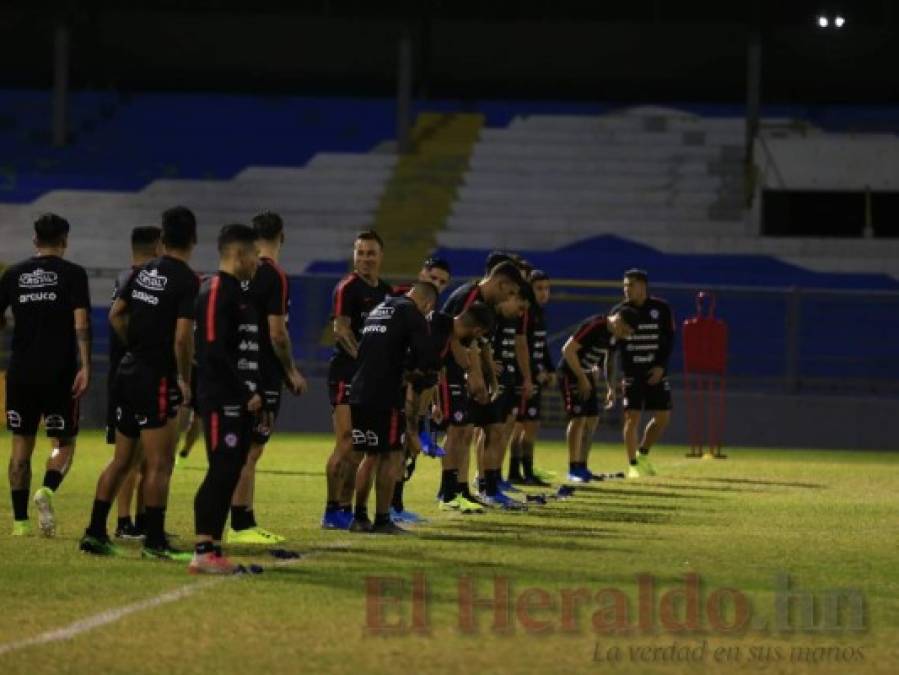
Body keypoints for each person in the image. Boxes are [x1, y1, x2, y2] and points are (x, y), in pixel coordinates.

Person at [80, 206, 199, 559]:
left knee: (122, 461)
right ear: (193, 240)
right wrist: (184, 378)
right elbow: (182, 338)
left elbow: (115, 314)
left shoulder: (144, 270)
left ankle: (94, 533)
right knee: (159, 464)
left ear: (162, 239)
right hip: (156, 378)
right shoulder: (188, 280)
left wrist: (136, 344)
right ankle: (154, 541)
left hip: (127, 373)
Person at [1, 213, 91, 537]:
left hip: (21, 372)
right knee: (63, 442)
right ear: (64, 240)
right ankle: (47, 490)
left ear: (35, 241)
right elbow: (81, 322)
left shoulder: (13, 274)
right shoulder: (74, 275)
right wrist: (85, 365)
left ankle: (21, 522)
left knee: (20, 445)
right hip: (59, 373)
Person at [226, 211, 307, 545]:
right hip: (261, 372)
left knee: (240, 449)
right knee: (251, 451)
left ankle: (241, 521)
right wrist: (290, 371)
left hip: (233, 369)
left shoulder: (235, 271)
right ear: (282, 237)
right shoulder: (274, 275)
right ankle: (242, 524)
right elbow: (277, 333)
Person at [189, 224, 264, 574]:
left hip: (234, 398)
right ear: (239, 254)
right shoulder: (217, 287)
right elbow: (214, 351)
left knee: (231, 468)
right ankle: (203, 551)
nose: (258, 263)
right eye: (255, 256)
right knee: (222, 469)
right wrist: (244, 392)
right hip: (222, 399)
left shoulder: (235, 291)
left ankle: (213, 550)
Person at [347, 282, 437, 534]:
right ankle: (383, 519)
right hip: (385, 394)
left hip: (359, 390)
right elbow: (425, 356)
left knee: (369, 455)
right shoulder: (413, 314)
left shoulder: (379, 308)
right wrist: (419, 375)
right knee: (392, 455)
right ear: (427, 304)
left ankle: (359, 517)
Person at [437, 259, 522, 513]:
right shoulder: (468, 296)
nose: (509, 298)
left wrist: (488, 380)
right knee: (457, 430)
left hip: (463, 373)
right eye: (509, 292)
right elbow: (451, 333)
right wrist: (472, 375)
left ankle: (461, 490)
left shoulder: (486, 305)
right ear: (501, 282)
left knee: (465, 431)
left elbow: (480, 343)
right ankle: (448, 492)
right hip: (447, 371)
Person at [322, 231, 392, 530]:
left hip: (370, 379)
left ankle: (345, 508)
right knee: (347, 442)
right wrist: (365, 361)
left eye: (371, 253)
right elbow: (341, 330)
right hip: (346, 374)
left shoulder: (386, 292)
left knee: (360, 447)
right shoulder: (347, 288)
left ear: (380, 256)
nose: (365, 258)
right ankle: (330, 509)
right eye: (360, 253)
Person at [107, 226, 163, 540]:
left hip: (127, 373)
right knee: (128, 456)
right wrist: (137, 349)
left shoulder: (124, 278)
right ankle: (124, 521)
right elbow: (120, 319)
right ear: (157, 246)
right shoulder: (142, 280)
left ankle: (141, 520)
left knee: (141, 456)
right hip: (134, 375)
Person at [389, 256, 452, 524]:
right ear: (421, 273)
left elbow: (433, 366)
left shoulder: (437, 318)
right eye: (433, 278)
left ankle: (396, 505)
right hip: (392, 386)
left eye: (442, 282)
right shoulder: (396, 299)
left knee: (406, 450)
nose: (437, 284)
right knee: (389, 448)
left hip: (417, 391)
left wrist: (435, 402)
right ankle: (360, 508)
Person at [559, 308, 639, 482]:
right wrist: (581, 378)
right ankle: (573, 469)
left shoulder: (615, 336)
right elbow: (567, 350)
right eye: (625, 331)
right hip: (570, 372)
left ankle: (582, 466)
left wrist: (611, 387)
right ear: (618, 320)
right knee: (578, 418)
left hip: (586, 373)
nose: (624, 336)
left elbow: (609, 360)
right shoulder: (596, 325)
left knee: (592, 419)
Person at [611, 269, 676, 478]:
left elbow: (669, 340)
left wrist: (661, 367)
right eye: (624, 285)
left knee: (663, 417)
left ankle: (643, 453)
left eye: (630, 285)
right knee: (632, 418)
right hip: (631, 373)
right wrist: (613, 379)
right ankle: (633, 465)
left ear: (642, 286)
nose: (626, 290)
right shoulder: (619, 311)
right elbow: (612, 347)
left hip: (655, 371)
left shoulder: (661, 308)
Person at [509, 270, 556, 486]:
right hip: (523, 378)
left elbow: (540, 345)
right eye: (539, 288)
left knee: (531, 425)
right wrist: (535, 372)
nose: (544, 293)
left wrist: (550, 369)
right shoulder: (525, 313)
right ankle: (515, 471)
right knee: (519, 425)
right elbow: (522, 346)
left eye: (547, 289)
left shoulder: (540, 313)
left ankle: (525, 471)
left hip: (535, 377)